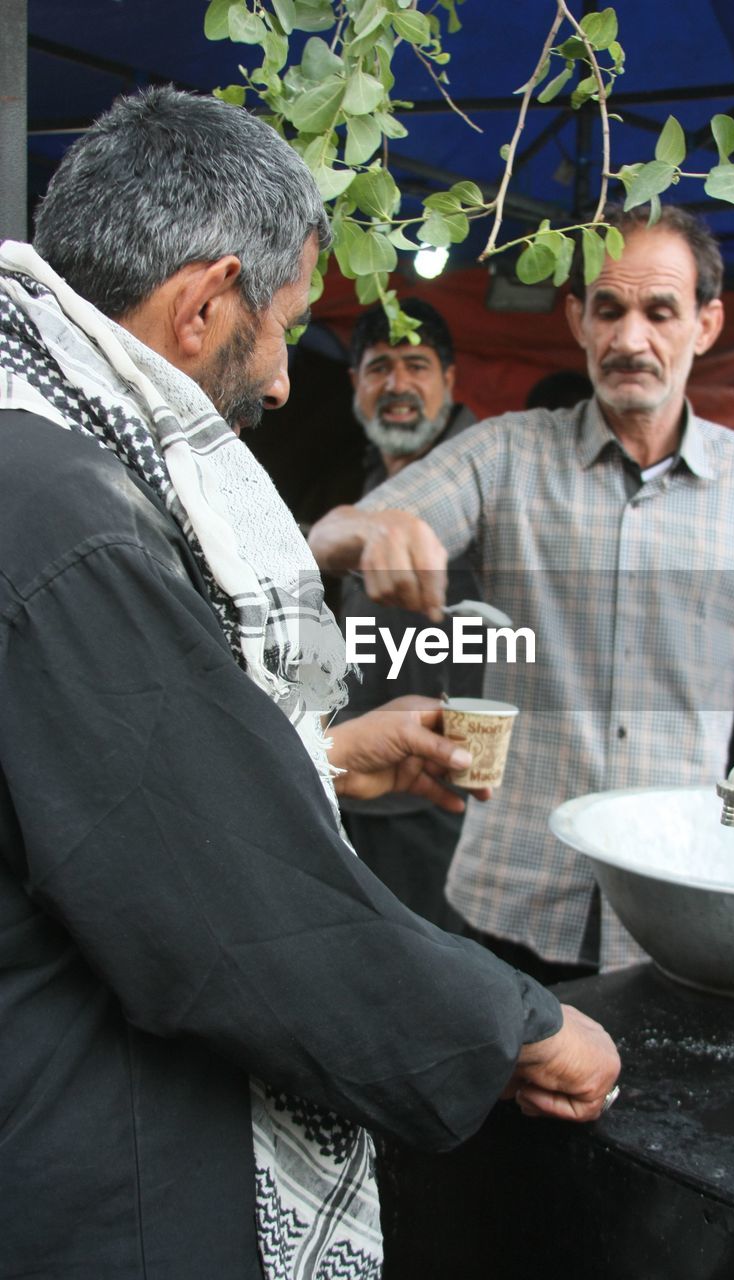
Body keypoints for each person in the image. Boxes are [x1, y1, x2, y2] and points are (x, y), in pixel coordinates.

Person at [0, 88, 621, 1280]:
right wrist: (521, 1028)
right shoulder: (67, 515)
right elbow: (231, 916)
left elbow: (91, 796)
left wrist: (323, 755)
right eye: (284, 323)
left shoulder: (40, 447)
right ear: (204, 302)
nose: (283, 379)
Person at [309, 203, 734, 988]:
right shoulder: (505, 454)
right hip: (507, 899)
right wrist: (366, 534)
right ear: (576, 320)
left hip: (681, 897)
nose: (630, 339)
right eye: (608, 309)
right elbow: (327, 535)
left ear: (706, 323)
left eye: (660, 311)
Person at [337, 298, 481, 930]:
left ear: (450, 380)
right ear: (356, 385)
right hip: (358, 783)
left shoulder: (484, 476)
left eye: (417, 365)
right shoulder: (371, 476)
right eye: (379, 367)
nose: (398, 385)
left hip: (442, 802)